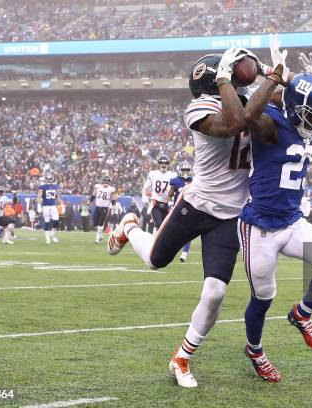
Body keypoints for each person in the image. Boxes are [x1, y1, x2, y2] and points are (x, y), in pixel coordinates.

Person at [107, 47, 260, 388]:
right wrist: (229, 80)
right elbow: (234, 123)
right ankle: (129, 226)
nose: (237, 77)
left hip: (230, 214)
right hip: (197, 205)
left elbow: (277, 100)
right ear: (217, 80)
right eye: (230, 75)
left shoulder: (247, 100)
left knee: (216, 293)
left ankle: (182, 357)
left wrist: (274, 72)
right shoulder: (200, 107)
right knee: (155, 261)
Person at [238, 56, 312, 382]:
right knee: (263, 298)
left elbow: (302, 96)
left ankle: (301, 314)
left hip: (292, 220)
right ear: (296, 107)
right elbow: (250, 113)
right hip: (260, 226)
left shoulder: (296, 118)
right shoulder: (269, 122)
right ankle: (254, 350)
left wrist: (305, 79)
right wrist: (276, 75)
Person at [143, 155, 176, 234]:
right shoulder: (153, 174)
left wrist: (173, 199)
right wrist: (144, 196)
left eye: (165, 163)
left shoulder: (173, 175)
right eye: (162, 163)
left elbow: (176, 189)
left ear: (168, 164)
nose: (163, 165)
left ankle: (161, 243)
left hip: (167, 204)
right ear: (159, 164)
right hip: (156, 202)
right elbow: (145, 188)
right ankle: (155, 243)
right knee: (158, 224)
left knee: (166, 227)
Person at [168, 161, 193, 263]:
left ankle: (184, 253)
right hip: (177, 209)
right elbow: (170, 195)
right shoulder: (175, 181)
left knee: (188, 232)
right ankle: (171, 251)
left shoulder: (194, 181)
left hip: (190, 209)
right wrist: (170, 204)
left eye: (187, 170)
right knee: (174, 231)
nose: (186, 172)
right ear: (180, 170)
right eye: (184, 170)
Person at [88, 175, 116, 243]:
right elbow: (93, 195)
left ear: (109, 182)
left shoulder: (111, 189)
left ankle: (97, 239)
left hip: (105, 208)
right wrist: (89, 202)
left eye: (107, 181)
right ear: (102, 181)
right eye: (105, 181)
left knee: (100, 223)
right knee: (94, 223)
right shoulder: (98, 187)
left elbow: (112, 198)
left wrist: (114, 206)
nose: (106, 182)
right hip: (97, 207)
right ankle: (100, 235)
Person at [37, 173, 62, 244]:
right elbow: (39, 196)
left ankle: (52, 233)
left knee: (56, 221)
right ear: (45, 179)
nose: (49, 180)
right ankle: (47, 238)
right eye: (47, 179)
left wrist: (61, 204)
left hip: (53, 206)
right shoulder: (42, 187)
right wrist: (39, 205)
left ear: (52, 179)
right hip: (46, 206)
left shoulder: (55, 186)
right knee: (47, 222)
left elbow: (58, 197)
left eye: (50, 179)